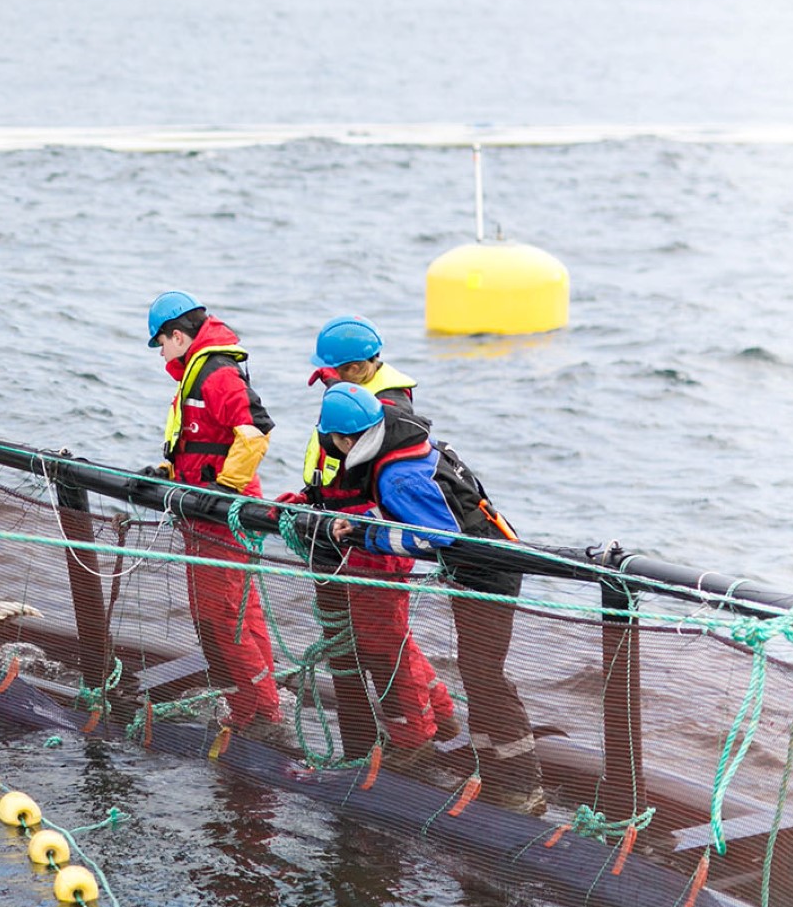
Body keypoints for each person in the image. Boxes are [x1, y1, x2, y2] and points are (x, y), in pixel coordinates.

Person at [314, 381, 545, 813]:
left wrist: (367, 534)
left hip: (488, 574)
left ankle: (522, 789)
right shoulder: (406, 444)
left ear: (345, 440)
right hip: (481, 567)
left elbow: (433, 538)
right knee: (478, 673)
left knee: (486, 677)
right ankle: (499, 776)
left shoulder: (397, 476)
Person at [290, 315, 458, 756]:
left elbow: (387, 498)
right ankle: (439, 711)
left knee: (383, 643)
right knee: (381, 637)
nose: (331, 377)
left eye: (338, 370)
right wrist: (312, 500)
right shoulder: (352, 394)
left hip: (370, 540)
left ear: (361, 367)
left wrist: (356, 526)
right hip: (346, 531)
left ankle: (414, 735)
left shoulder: (385, 411)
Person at [143, 290, 283, 735]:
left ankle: (258, 714)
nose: (160, 352)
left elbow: (255, 433)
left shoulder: (216, 374)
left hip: (220, 512)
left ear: (179, 336)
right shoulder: (197, 373)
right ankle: (258, 706)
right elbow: (200, 439)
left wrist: (224, 490)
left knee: (223, 617)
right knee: (234, 613)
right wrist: (168, 470)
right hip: (204, 508)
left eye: (160, 343)